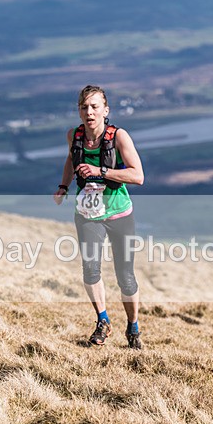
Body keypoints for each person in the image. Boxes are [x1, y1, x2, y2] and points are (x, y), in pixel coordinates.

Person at [53, 85, 145, 349]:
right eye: (84, 107)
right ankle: (103, 320)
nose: (89, 112)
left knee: (125, 276)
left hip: (118, 213)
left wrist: (100, 170)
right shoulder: (75, 135)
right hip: (87, 213)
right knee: (91, 269)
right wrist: (63, 186)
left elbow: (138, 176)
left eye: (94, 107)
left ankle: (133, 327)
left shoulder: (118, 137)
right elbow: (71, 160)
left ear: (106, 110)